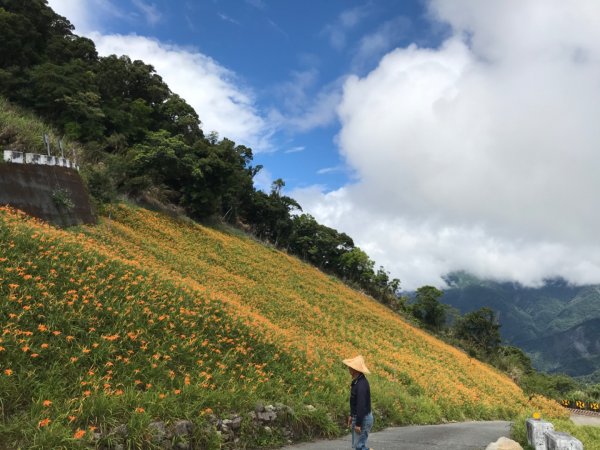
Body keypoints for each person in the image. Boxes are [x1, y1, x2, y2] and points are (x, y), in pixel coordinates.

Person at [343, 355, 373, 450]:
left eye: (350, 367)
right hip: (360, 417)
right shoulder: (357, 381)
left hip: (363, 418)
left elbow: (361, 405)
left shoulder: (361, 385)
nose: (348, 369)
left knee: (360, 446)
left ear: (354, 369)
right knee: (358, 446)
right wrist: (352, 415)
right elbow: (354, 402)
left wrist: (358, 424)